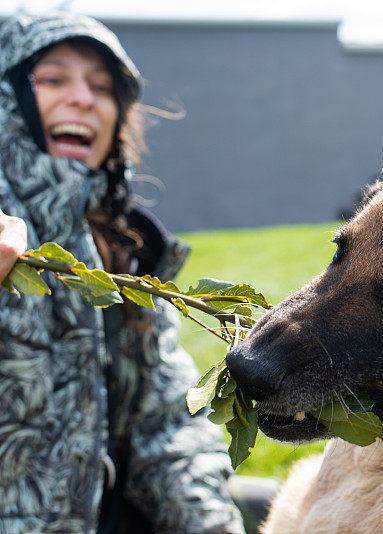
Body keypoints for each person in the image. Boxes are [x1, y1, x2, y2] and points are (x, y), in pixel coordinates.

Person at [0, 11, 245, 533]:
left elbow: (167, 424)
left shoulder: (125, 252)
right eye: (52, 79)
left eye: (102, 87)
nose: (84, 99)